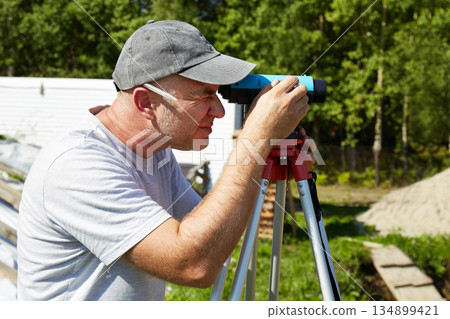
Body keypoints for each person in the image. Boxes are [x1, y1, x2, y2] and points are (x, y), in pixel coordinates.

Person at [17, 20, 309, 300]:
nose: (219, 111)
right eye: (204, 95)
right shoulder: (77, 165)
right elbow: (194, 264)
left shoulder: (154, 150)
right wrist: (254, 141)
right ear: (146, 102)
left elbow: (215, 236)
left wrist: (264, 147)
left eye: (217, 95)